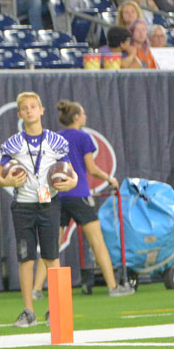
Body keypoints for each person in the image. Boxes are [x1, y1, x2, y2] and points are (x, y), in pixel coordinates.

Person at [0, 91, 79, 328]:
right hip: (23, 206)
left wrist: (70, 183)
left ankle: (57, 310)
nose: (29, 111)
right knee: (26, 258)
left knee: (52, 256)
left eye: (33, 106)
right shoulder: (13, 143)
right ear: (19, 114)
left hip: (49, 204)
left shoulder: (55, 141)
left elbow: (72, 175)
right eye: (25, 108)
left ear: (41, 111)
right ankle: (28, 311)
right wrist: (8, 181)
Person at [56, 100, 133, 298]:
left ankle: (36, 289)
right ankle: (113, 287)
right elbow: (91, 168)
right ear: (76, 117)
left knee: (52, 246)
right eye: (83, 113)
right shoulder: (83, 137)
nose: (85, 116)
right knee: (97, 242)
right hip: (79, 194)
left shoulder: (56, 137)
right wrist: (109, 179)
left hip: (60, 195)